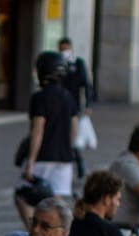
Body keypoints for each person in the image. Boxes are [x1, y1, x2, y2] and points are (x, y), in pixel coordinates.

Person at [21, 51, 77, 205]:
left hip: (43, 157)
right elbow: (74, 129)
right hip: (64, 157)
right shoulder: (68, 96)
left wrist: (30, 161)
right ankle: (61, 229)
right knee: (56, 203)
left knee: (23, 197)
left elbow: (38, 129)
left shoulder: (39, 97)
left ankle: (34, 229)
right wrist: (69, 148)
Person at [58, 37, 94, 178]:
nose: (64, 52)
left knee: (73, 136)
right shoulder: (59, 64)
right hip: (59, 106)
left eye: (66, 49)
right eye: (62, 49)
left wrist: (89, 105)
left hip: (73, 107)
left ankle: (79, 165)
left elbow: (86, 84)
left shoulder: (78, 64)